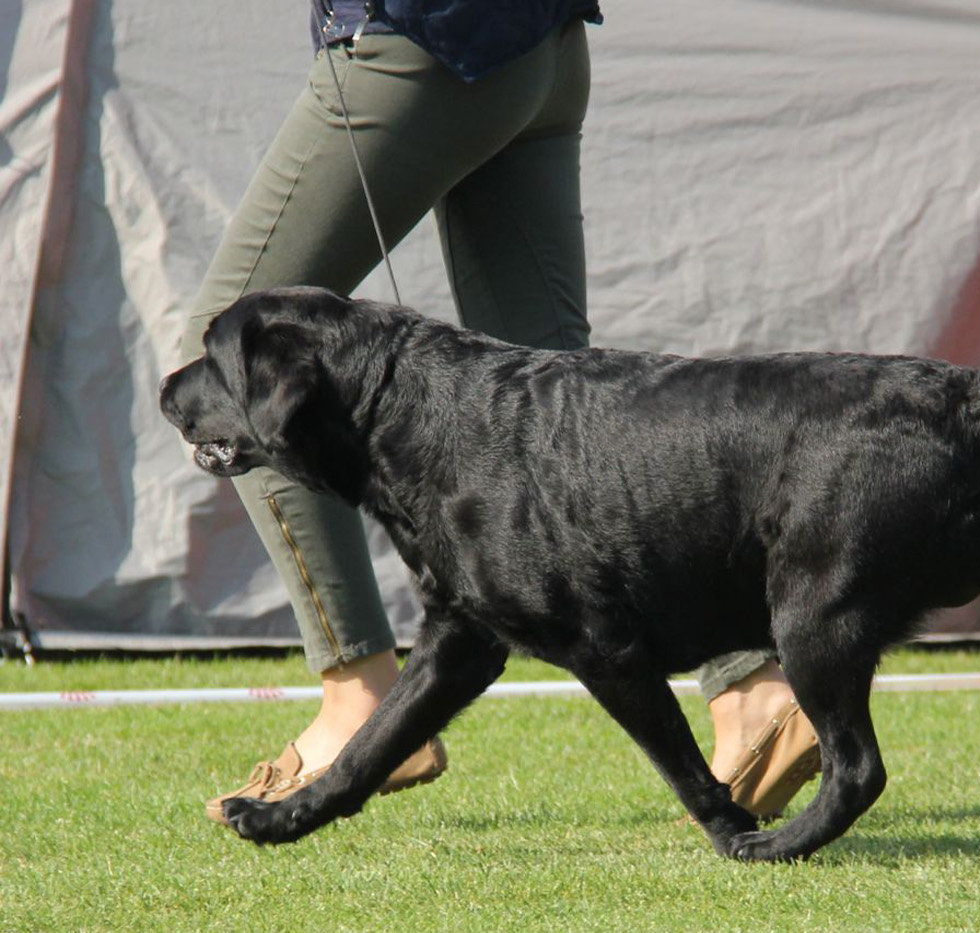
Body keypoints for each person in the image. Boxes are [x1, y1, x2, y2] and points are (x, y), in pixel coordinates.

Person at [181, 0, 820, 823]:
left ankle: (359, 701)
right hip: (542, 50)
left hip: (419, 48)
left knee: (233, 361)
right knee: (561, 400)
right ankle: (752, 687)